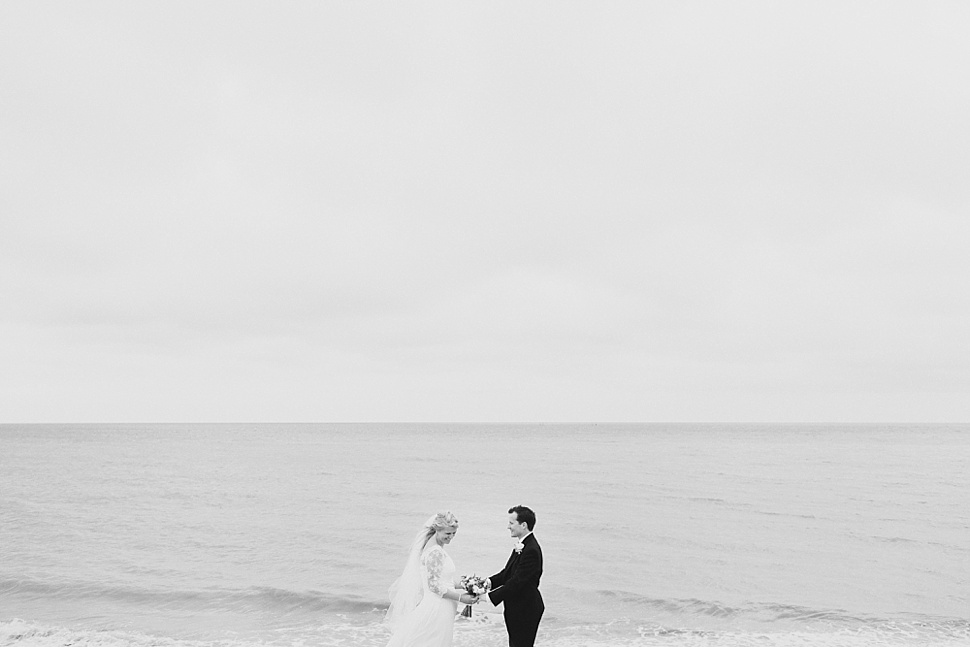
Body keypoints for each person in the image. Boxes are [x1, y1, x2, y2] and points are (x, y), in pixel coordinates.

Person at [384, 511, 480, 647]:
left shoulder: (434, 548)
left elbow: (441, 580)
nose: (451, 537)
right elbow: (434, 586)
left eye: (453, 533)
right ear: (437, 530)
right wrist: (461, 598)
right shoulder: (435, 552)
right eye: (448, 534)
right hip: (437, 608)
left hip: (441, 605)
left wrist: (463, 584)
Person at [484, 505, 544, 647]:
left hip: (526, 609)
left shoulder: (531, 550)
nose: (508, 527)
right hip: (517, 607)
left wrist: (488, 597)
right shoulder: (522, 545)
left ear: (523, 525)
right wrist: (484, 584)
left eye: (511, 523)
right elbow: (507, 574)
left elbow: (517, 582)